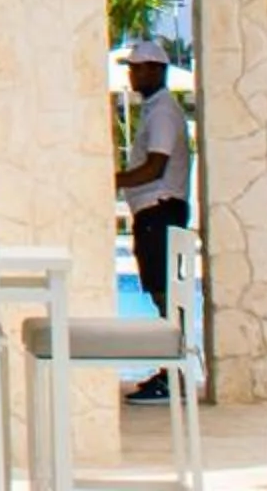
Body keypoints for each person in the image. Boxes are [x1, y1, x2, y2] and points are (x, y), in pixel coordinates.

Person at [112, 37, 191, 405]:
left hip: (160, 209)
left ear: (158, 70)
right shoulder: (155, 108)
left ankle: (176, 373)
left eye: (139, 68)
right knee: (160, 294)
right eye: (131, 69)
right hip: (152, 213)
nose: (133, 75)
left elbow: (156, 166)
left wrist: (112, 180)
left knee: (166, 295)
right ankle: (170, 368)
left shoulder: (163, 112)